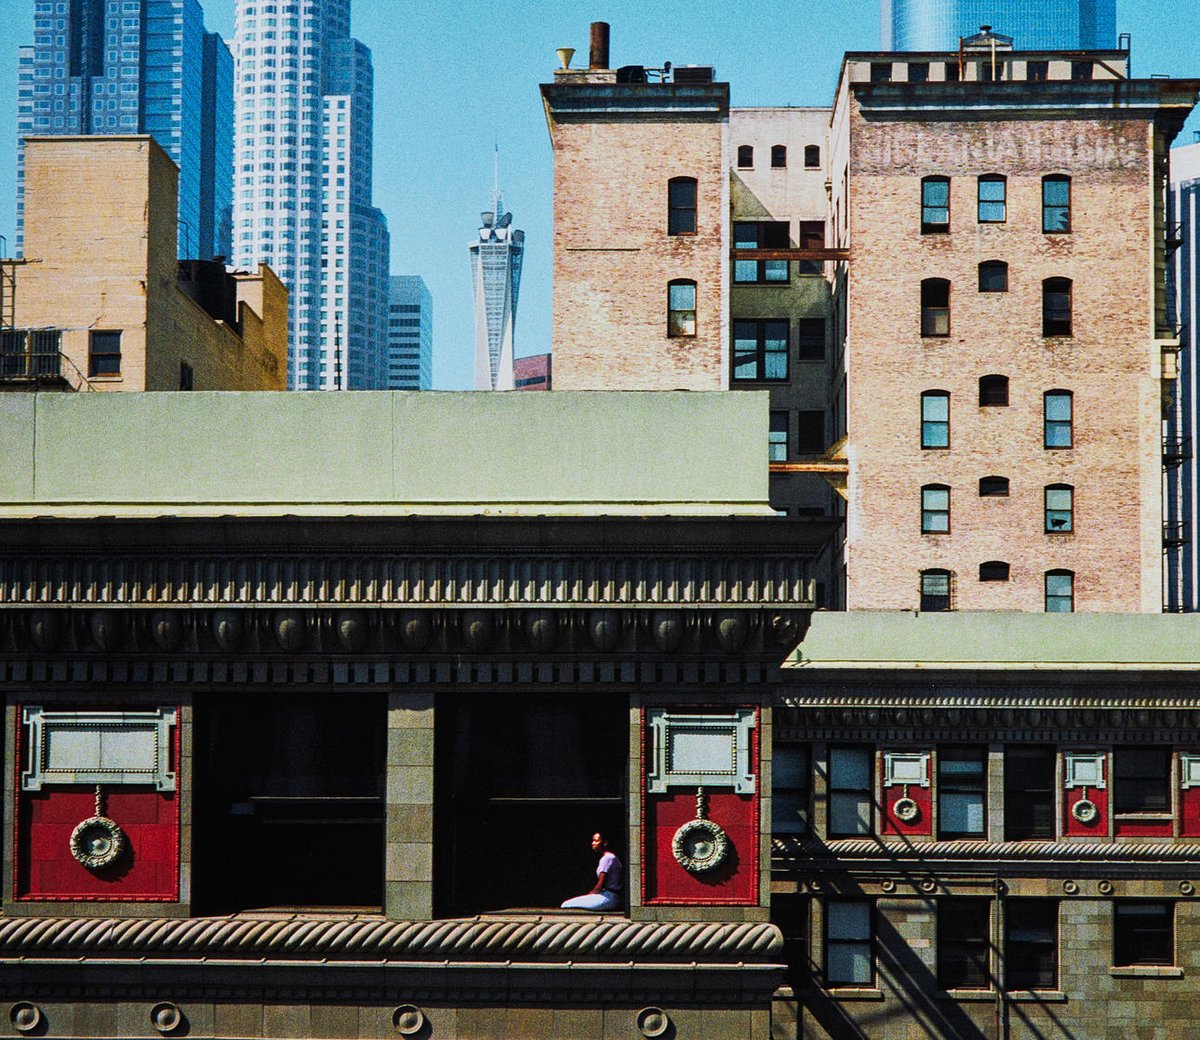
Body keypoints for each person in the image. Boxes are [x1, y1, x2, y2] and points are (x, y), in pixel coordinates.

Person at [561, 831, 622, 910]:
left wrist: (590, 895)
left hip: (609, 897)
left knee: (566, 904)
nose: (593, 843)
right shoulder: (611, 857)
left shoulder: (607, 858)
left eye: (596, 841)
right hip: (611, 896)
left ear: (605, 842)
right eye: (593, 841)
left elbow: (600, 885)